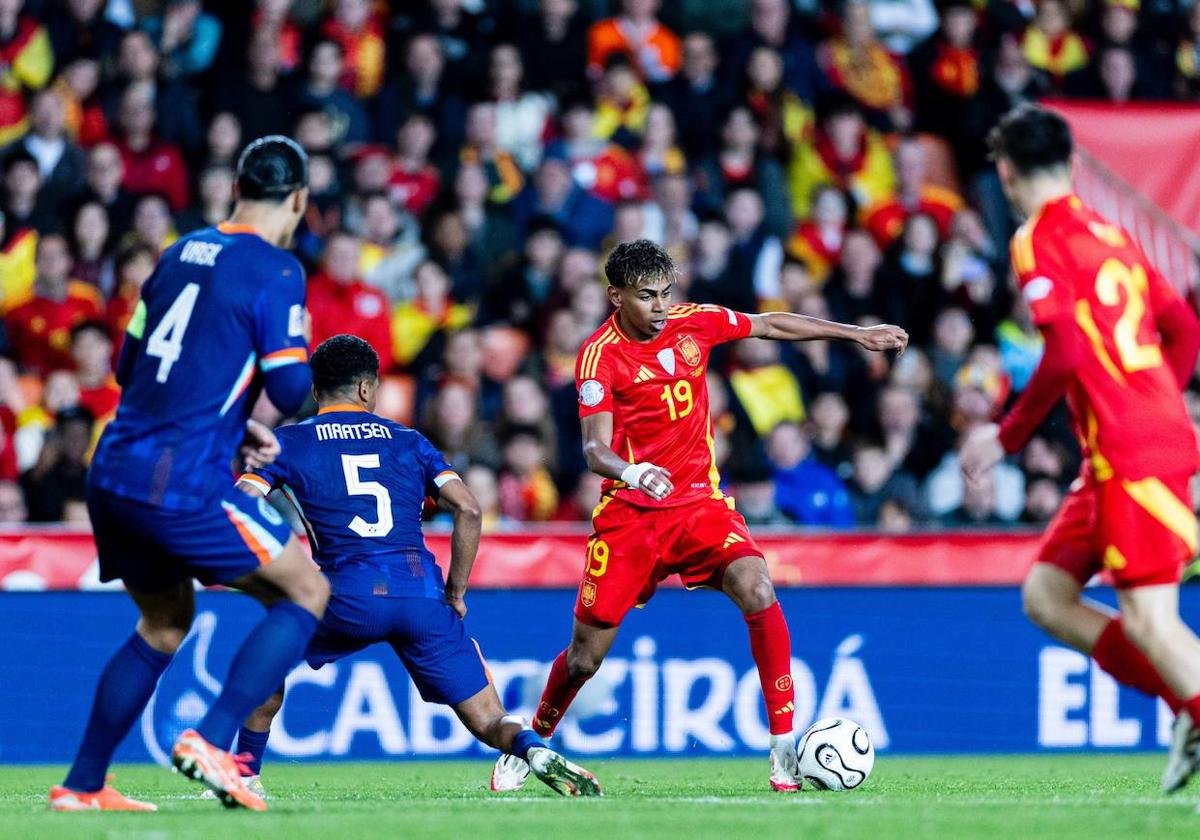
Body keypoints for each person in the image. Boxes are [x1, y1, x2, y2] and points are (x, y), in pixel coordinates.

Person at [490, 240, 907, 793]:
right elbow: (594, 450)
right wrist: (635, 473)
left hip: (699, 505)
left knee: (758, 587)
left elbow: (769, 326)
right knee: (586, 660)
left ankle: (783, 748)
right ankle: (532, 741)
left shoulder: (697, 323)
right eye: (646, 296)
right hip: (631, 516)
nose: (660, 306)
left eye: (666, 293)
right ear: (616, 296)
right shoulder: (599, 356)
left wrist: (856, 335)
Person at [50, 136, 328, 813]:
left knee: (164, 624)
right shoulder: (277, 269)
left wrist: (235, 425)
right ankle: (210, 737)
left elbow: (128, 368)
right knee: (305, 592)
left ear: (236, 185)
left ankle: (83, 784)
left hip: (112, 466)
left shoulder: (177, 253)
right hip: (178, 482)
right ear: (298, 199)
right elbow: (292, 388)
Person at [229, 335, 601, 798]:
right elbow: (468, 509)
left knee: (263, 664)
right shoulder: (409, 440)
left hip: (344, 596)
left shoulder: (288, 443)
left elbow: (239, 508)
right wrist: (456, 593)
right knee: (488, 719)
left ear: (317, 390)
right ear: (367, 390)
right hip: (422, 595)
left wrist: (267, 575)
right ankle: (530, 747)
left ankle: (244, 776)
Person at [960, 105, 1200, 794]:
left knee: (1152, 621)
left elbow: (1063, 350)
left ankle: (1194, 705)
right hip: (1120, 452)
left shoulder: (1038, 239)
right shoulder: (1113, 233)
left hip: (1132, 454)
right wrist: (1153, 404)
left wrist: (1004, 438)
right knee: (1047, 596)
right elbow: (1183, 329)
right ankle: (1191, 706)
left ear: (1005, 172)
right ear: (1070, 164)